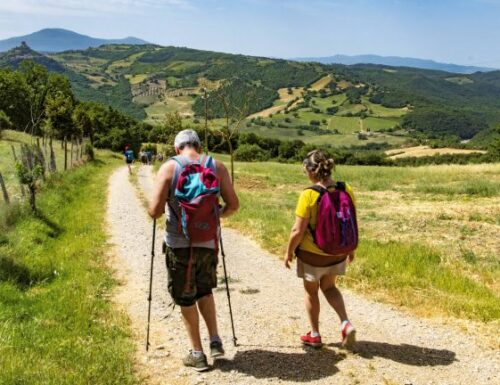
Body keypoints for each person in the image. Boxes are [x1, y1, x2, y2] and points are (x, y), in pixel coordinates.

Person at [148, 129, 239, 372]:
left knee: (185, 296)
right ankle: (215, 341)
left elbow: (154, 211)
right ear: (197, 146)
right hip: (208, 242)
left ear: (177, 149)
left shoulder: (169, 168)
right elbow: (234, 206)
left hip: (179, 244)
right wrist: (213, 217)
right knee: (205, 290)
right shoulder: (216, 166)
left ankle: (197, 354)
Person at [284, 149, 356, 349]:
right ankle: (345, 323)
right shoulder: (345, 188)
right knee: (330, 287)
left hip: (312, 255)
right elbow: (350, 221)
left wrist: (289, 252)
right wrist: (351, 248)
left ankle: (314, 334)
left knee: (311, 292)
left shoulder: (309, 195)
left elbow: (297, 230)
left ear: (310, 170)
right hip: (338, 252)